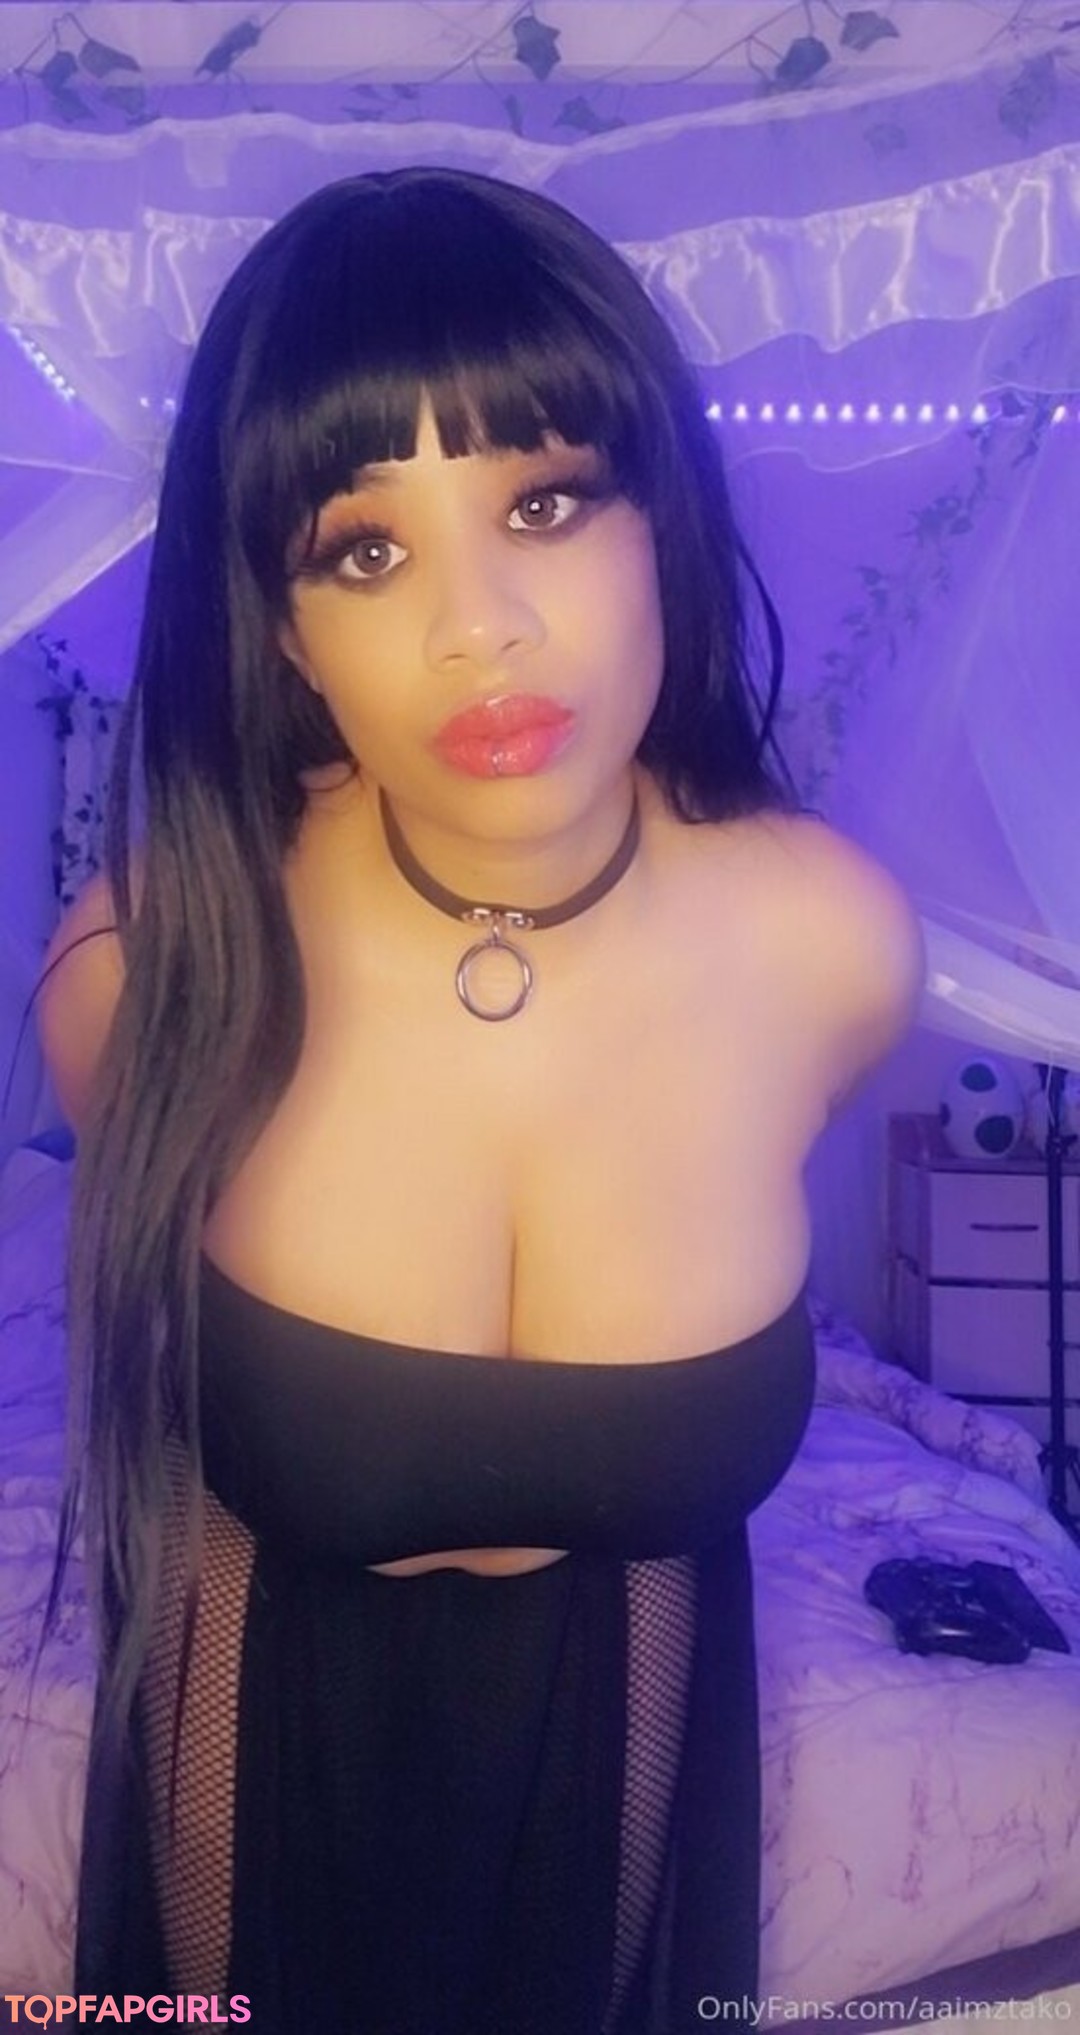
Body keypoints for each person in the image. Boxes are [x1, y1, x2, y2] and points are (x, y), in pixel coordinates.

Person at [36, 166, 924, 2033]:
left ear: (663, 518)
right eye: (364, 550)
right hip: (248, 1781)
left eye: (545, 500)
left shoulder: (830, 952)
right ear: (280, 627)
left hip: (628, 1797)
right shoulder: (151, 967)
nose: (482, 627)